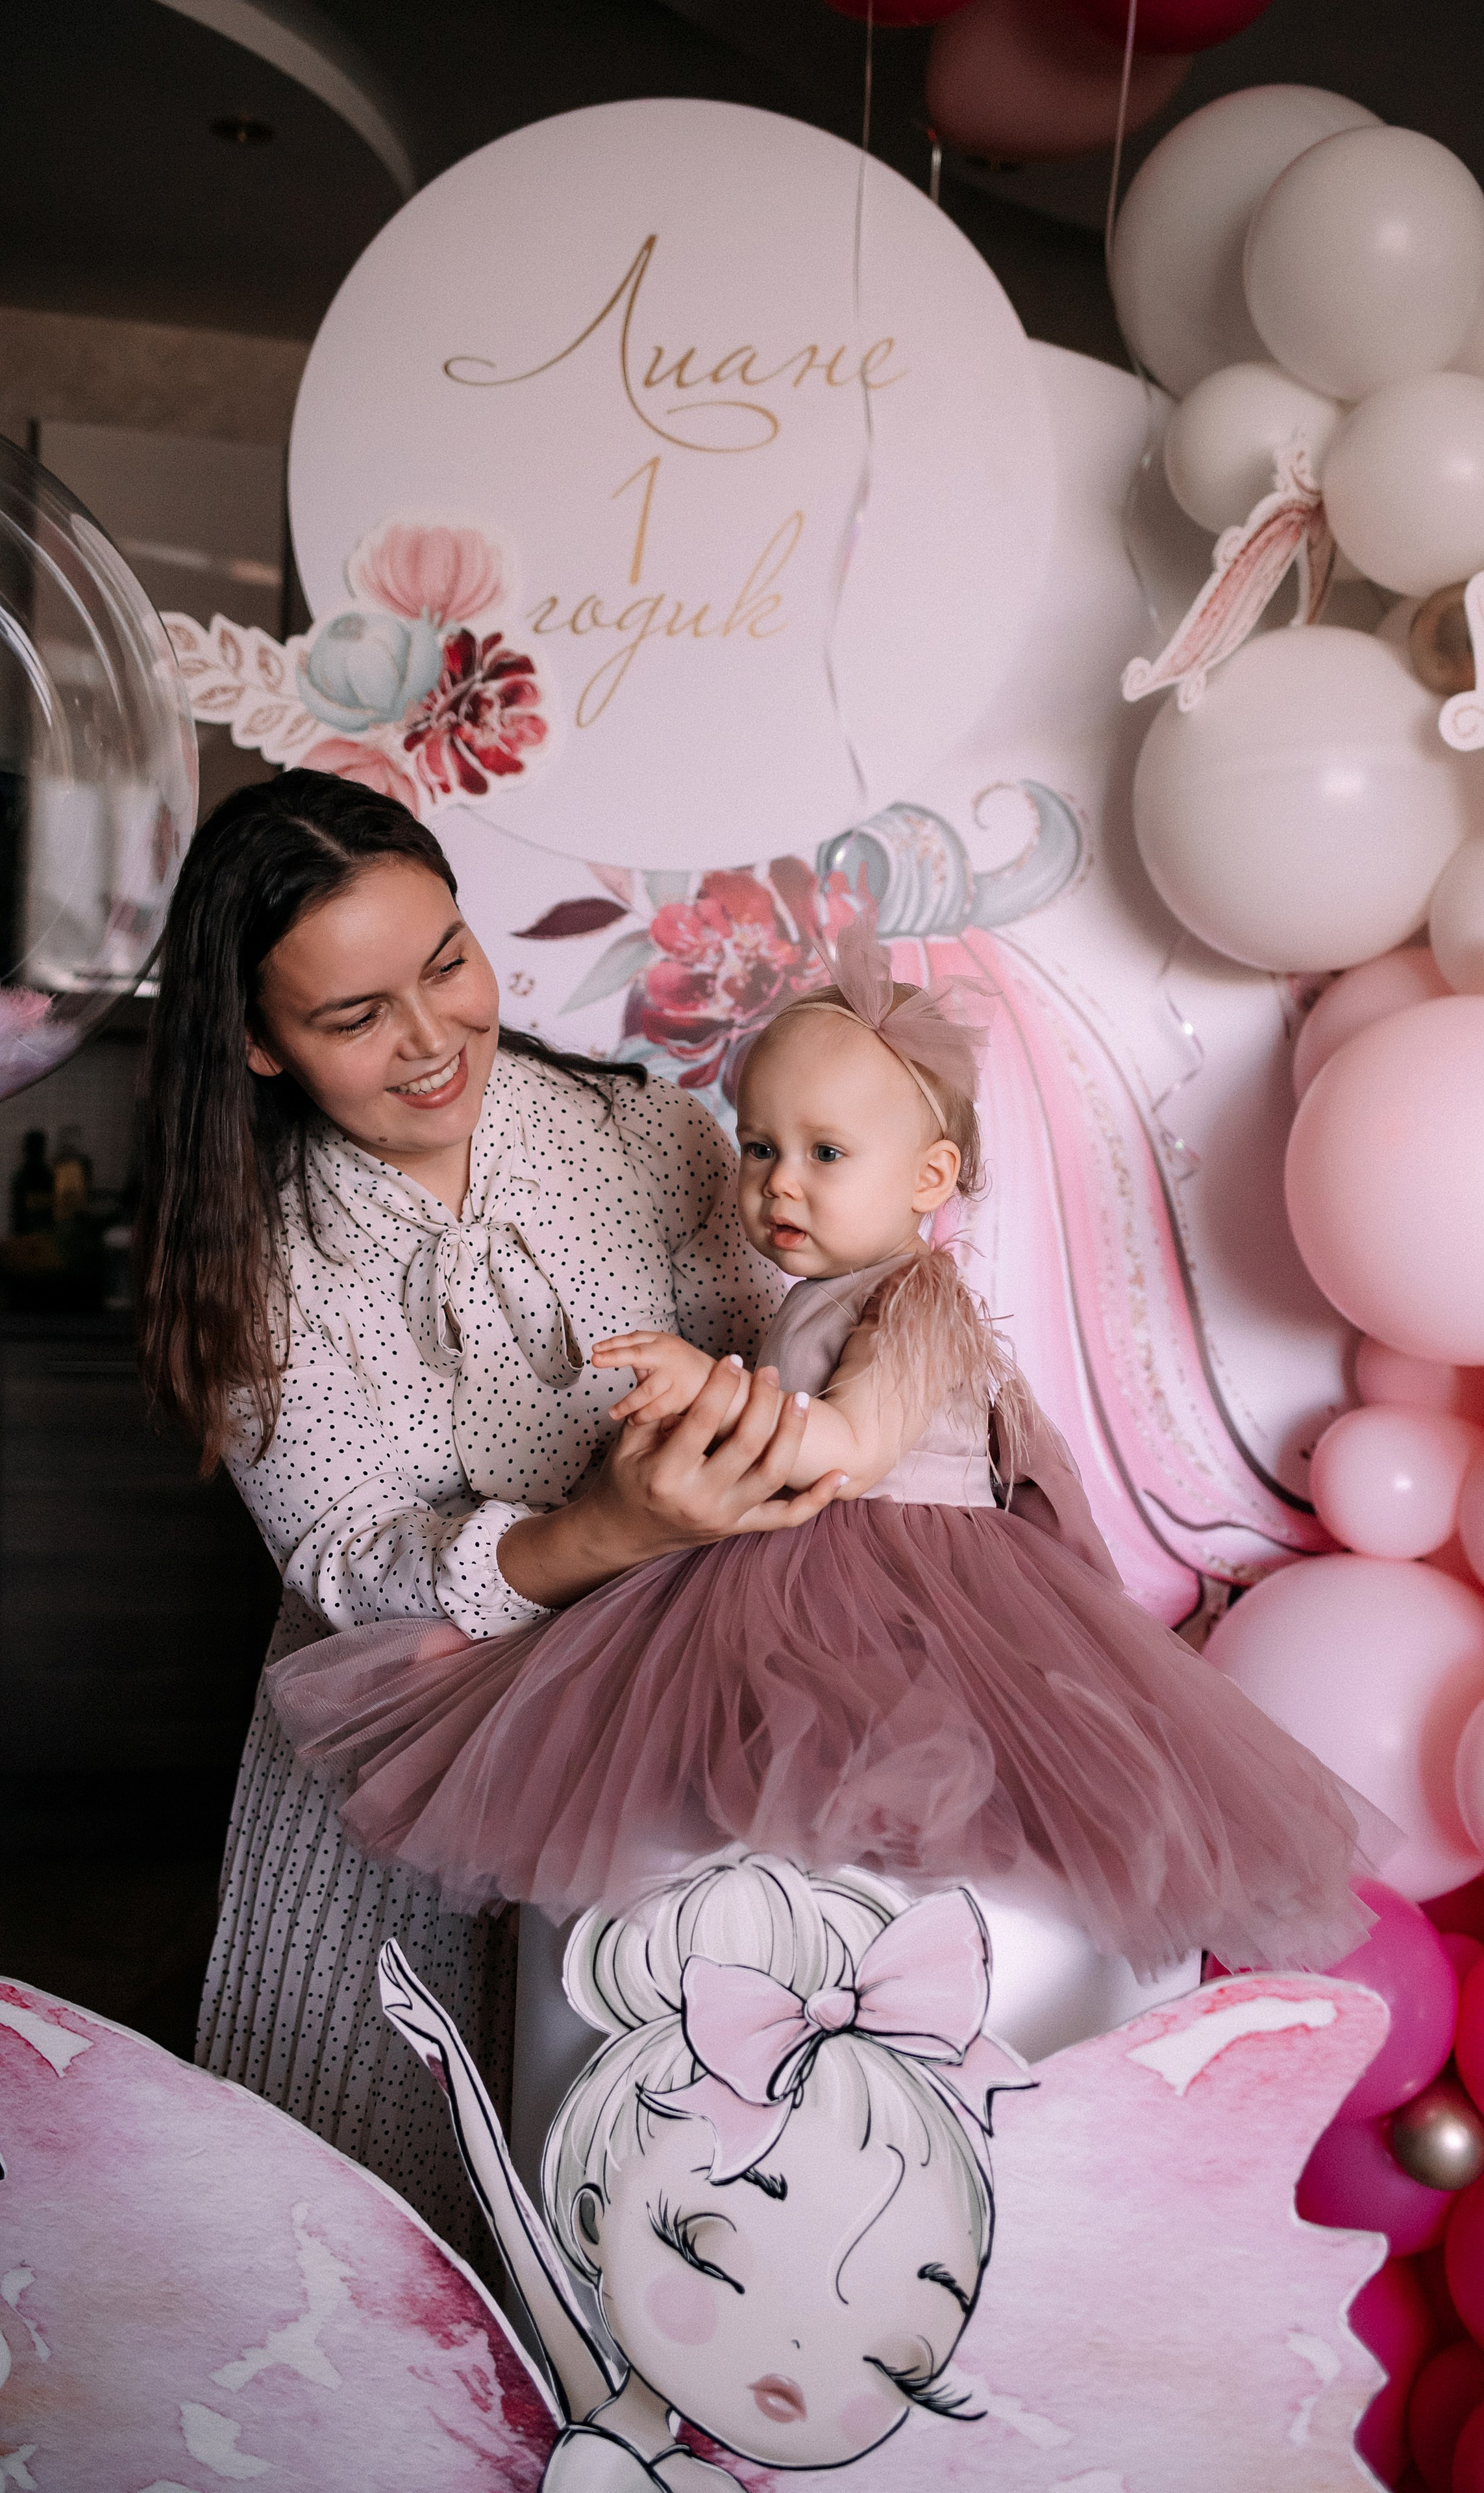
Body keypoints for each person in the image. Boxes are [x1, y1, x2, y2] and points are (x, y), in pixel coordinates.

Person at [268, 918, 1391, 1983]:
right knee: (738, 1809)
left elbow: (846, 1447)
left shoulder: (918, 1299)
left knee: (876, 1781)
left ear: (929, 1180)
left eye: (825, 1153)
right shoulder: (817, 1290)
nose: (776, 1184)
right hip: (782, 1555)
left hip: (894, 1573)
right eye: (759, 1147)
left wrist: (708, 1386)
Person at [136, 770, 841, 2261]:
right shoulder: (255, 1250)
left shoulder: (643, 1135)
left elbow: (790, 1356)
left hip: (680, 1704)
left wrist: (764, 1411)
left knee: (659, 2176)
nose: (431, 1038)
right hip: (407, 1740)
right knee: (384, 2197)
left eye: (446, 961)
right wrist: (603, 1529)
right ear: (258, 1042)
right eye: (352, 1016)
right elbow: (342, 1559)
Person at [376, 1850, 1026, 2487]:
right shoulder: (603, 2421)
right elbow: (521, 2242)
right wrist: (453, 2072)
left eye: (899, 2363)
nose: (799, 2351)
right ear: (589, 2220)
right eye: (711, 2256)